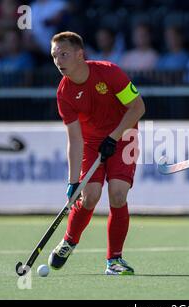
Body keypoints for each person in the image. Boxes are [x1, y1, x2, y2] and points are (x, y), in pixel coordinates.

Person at [48, 31, 145, 275]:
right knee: (89, 195)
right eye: (54, 56)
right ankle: (69, 240)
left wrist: (113, 137)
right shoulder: (64, 92)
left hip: (124, 137)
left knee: (118, 194)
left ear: (80, 55)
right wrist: (73, 182)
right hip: (91, 143)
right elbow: (74, 138)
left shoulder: (109, 72)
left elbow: (137, 107)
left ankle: (114, 260)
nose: (59, 61)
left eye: (64, 54)